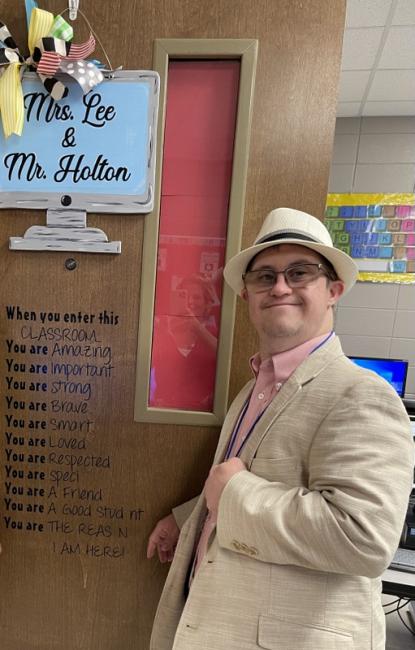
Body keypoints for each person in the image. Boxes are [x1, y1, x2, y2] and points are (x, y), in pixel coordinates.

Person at [147, 207, 414, 650]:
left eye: (299, 272)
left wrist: (233, 497)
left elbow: (363, 538)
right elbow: (247, 477)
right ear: (248, 295)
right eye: (264, 277)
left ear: (334, 290)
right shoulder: (254, 388)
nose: (280, 287)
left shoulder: (362, 395)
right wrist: (185, 521)